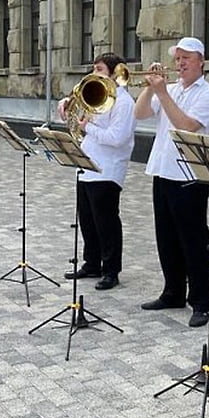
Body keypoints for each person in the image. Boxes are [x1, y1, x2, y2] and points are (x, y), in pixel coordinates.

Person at [133, 37, 209, 328]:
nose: (180, 63)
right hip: (163, 170)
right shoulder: (169, 89)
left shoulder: (208, 95)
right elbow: (140, 113)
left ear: (201, 61)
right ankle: (172, 291)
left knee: (194, 241)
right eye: (178, 58)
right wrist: (150, 88)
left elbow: (186, 126)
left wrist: (163, 93)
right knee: (166, 237)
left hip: (189, 176)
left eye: (186, 58)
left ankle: (201, 302)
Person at [59, 52, 137, 291]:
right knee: (87, 220)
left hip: (108, 170)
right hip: (87, 165)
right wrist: (64, 106)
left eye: (100, 69)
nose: (95, 73)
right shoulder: (94, 95)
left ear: (116, 73)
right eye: (94, 68)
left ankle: (111, 270)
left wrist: (88, 127)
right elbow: (73, 117)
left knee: (106, 222)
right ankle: (91, 263)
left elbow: (117, 138)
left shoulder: (124, 103)